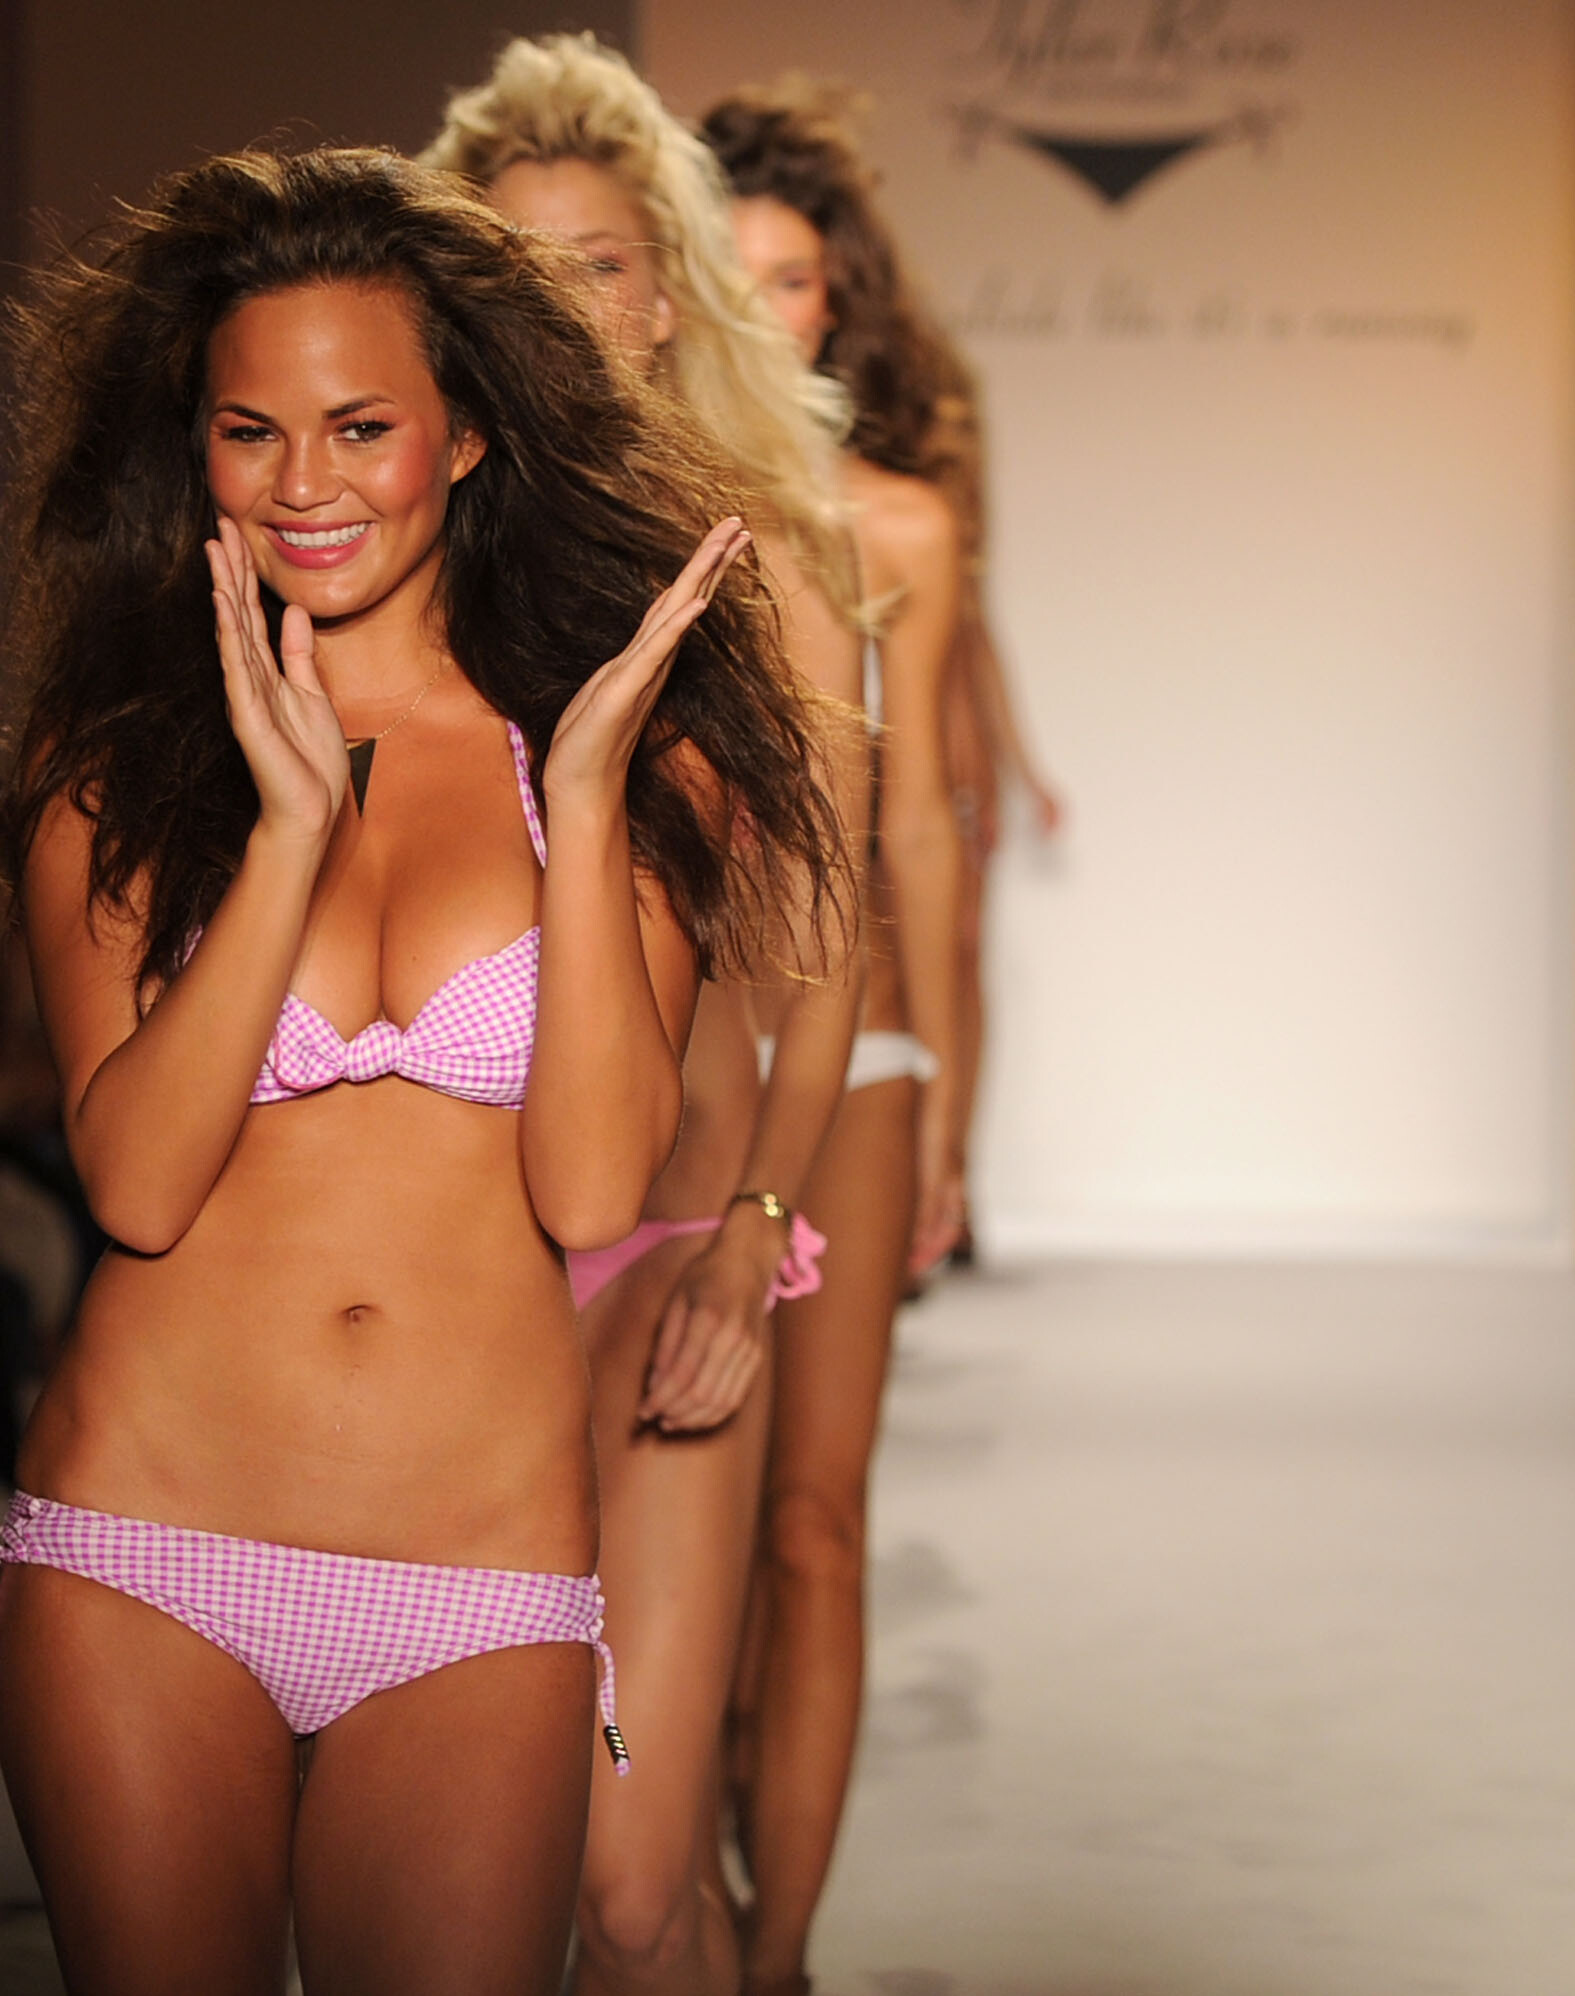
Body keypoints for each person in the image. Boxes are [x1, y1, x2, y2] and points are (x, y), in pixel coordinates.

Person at [0, 145, 844, 1994]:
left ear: (468, 437)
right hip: (147, 1545)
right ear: (194, 450)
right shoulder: (120, 765)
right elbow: (138, 1185)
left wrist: (585, 805)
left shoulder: (619, 755)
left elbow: (593, 1185)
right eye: (250, 432)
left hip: (475, 1579)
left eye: (361, 428)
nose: (304, 485)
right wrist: (280, 840)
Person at [424, 36, 870, 1995]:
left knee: (628, 1880)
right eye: (514, 266)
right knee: (479, 1886)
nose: (563, 300)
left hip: (679, 1234)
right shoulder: (410, 566)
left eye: (597, 261)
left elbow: (821, 954)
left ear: (666, 291)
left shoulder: (767, 576)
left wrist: (761, 1231)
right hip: (459, 1265)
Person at [702, 81, 1000, 1993]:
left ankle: (783, 1952)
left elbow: (924, 834)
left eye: (797, 277)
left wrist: (953, 1097)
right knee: (684, 1528)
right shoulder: (611, 514)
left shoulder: (902, 527)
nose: (768, 308)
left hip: (861, 1054)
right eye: (729, 273)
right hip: (666, 1065)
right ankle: (671, 1904)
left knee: (812, 1525)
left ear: (837, 302)